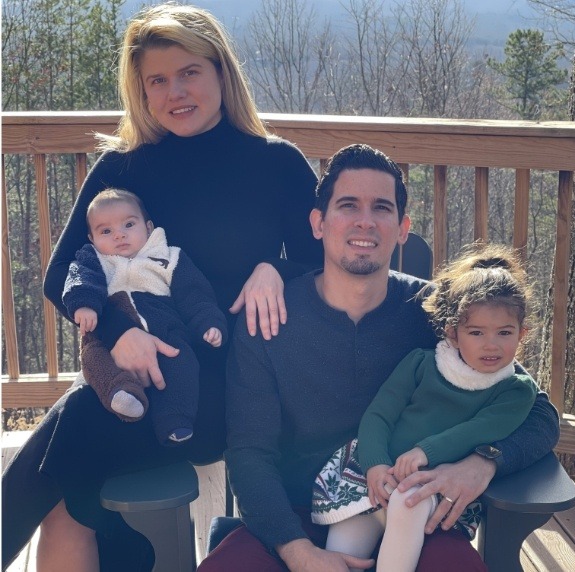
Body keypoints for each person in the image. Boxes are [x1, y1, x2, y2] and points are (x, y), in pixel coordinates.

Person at [1, 4, 322, 571]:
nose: (175, 91)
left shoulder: (276, 164)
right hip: (135, 374)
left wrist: (277, 267)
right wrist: (123, 333)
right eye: (157, 80)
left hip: (228, 386)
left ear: (221, 72)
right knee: (74, 496)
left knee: (72, 444)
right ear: (141, 91)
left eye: (189, 72)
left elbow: (325, 264)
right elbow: (61, 276)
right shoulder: (123, 171)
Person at [200, 144, 559, 572]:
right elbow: (249, 452)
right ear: (319, 223)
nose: (365, 221)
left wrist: (483, 462)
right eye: (348, 205)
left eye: (382, 208)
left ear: (403, 227)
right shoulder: (269, 314)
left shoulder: (434, 312)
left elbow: (539, 413)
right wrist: (299, 552)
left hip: (415, 515)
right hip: (293, 519)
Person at [311, 243, 538, 572]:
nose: (492, 344)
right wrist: (374, 465)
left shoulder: (515, 391)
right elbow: (379, 415)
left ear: (522, 334)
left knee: (409, 501)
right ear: (454, 334)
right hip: (374, 480)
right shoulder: (421, 364)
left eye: (505, 332)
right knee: (345, 550)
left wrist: (424, 452)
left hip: (432, 491)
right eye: (477, 332)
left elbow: (479, 429)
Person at [63, 188, 228, 444]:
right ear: (92, 238)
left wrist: (208, 323)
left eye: (129, 224)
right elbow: (79, 280)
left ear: (148, 227)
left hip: (166, 332)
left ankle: (175, 420)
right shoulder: (94, 260)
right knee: (93, 359)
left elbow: (195, 295)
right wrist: (83, 305)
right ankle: (122, 395)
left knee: (183, 361)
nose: (119, 234)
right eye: (106, 231)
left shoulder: (169, 257)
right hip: (108, 340)